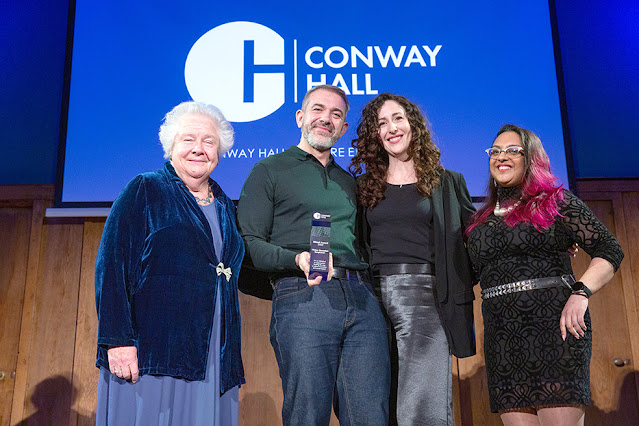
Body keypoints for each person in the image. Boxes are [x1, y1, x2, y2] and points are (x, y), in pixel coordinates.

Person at [237, 85, 390, 425]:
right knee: (308, 413)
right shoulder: (270, 170)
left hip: (362, 298)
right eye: (318, 110)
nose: (326, 119)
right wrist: (296, 259)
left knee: (371, 416)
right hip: (302, 295)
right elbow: (250, 243)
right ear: (300, 117)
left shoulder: (350, 182)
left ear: (344, 128)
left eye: (336, 115)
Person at [94, 101, 245, 425]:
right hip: (153, 354)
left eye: (209, 141)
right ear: (171, 145)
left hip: (214, 359)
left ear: (220, 150)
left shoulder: (226, 206)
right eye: (188, 139)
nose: (199, 149)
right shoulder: (146, 189)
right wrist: (117, 339)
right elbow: (111, 266)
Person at [466, 124, 624, 425]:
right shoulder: (479, 221)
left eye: (514, 150)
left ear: (531, 158)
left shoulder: (557, 203)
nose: (502, 156)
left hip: (557, 330)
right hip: (503, 340)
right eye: (496, 151)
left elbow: (609, 250)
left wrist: (581, 293)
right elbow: (466, 274)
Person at [349, 93, 477, 425]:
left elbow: (477, 240)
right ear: (374, 135)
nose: (391, 128)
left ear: (413, 125)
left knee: (421, 399)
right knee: (380, 397)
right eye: (381, 123)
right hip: (371, 299)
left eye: (398, 118)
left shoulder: (447, 183)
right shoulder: (363, 187)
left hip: (424, 296)